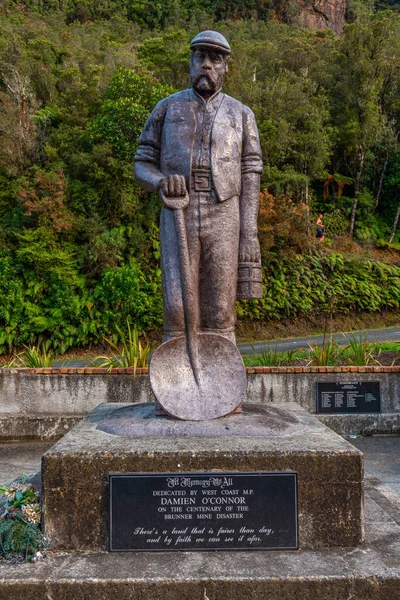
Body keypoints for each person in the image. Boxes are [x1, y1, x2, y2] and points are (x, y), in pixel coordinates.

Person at [134, 30, 262, 345]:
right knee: (177, 307)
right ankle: (177, 384)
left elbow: (251, 170)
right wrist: (161, 181)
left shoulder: (242, 114)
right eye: (199, 57)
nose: (206, 64)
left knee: (220, 308)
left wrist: (249, 231)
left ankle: (222, 387)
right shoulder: (166, 108)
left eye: (214, 58)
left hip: (225, 211)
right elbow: (141, 162)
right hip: (179, 211)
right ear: (190, 62)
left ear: (226, 67)